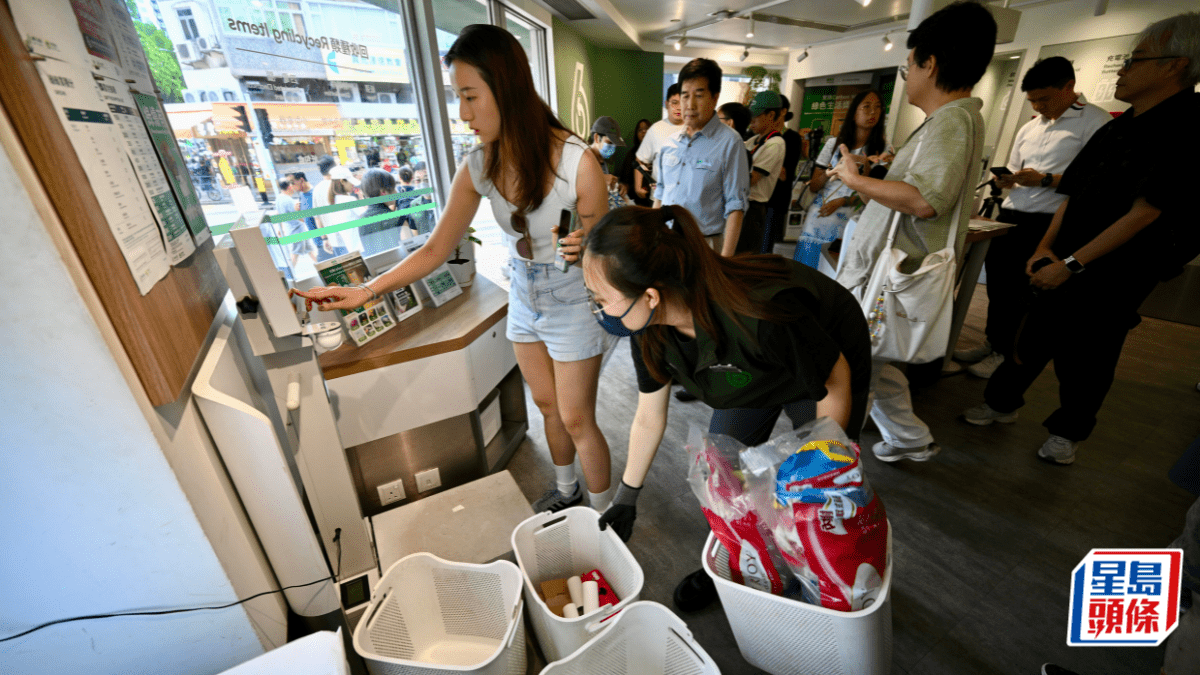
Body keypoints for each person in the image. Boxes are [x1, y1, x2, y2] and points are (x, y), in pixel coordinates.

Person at [293, 24, 617, 514]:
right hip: (525, 294)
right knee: (547, 407)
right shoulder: (478, 165)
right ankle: (567, 492)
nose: (462, 113)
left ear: (505, 89)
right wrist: (367, 291)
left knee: (576, 417)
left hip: (573, 296)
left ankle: (605, 517)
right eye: (456, 97)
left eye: (470, 96)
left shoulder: (579, 163)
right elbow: (434, 249)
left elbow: (605, 253)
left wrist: (587, 243)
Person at [583, 204, 872, 611]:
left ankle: (821, 580)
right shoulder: (650, 330)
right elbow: (649, 415)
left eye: (601, 298)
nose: (598, 308)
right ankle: (737, 560)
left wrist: (811, 479)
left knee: (816, 492)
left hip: (820, 366)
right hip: (749, 370)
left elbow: (834, 381)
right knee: (720, 470)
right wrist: (626, 496)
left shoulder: (760, 313)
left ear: (649, 295)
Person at [963, 12, 1200, 465]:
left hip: (1116, 270)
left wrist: (1070, 265)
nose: (1124, 69)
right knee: (1031, 334)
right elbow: (1073, 194)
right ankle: (1001, 403)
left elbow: (1146, 212)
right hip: (1059, 250)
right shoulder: (1116, 126)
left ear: (1176, 65)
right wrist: (1045, 248)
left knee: (1089, 354)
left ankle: (1068, 431)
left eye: (1137, 59)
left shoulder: (1187, 128)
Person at [831, 1, 995, 462]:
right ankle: (909, 439)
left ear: (931, 63)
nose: (907, 79)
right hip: (893, 273)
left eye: (908, 67)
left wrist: (856, 180)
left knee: (859, 366)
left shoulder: (954, 121)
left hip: (895, 275)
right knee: (875, 362)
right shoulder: (951, 122)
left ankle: (834, 463)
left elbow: (926, 201)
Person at [953, 57, 1111, 379]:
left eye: (1044, 99)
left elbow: (1096, 181)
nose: (1038, 107)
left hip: (1051, 222)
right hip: (1012, 215)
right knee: (998, 287)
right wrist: (1008, 179)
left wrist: (1044, 180)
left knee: (1027, 293)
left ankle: (1011, 356)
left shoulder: (1097, 122)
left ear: (1069, 87)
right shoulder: (1030, 126)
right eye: (1033, 100)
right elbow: (1015, 166)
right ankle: (993, 343)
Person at [653, 58, 749, 257]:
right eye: (685, 96)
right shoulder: (670, 143)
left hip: (705, 246)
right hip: (668, 243)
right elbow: (660, 194)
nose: (689, 105)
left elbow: (736, 206)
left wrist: (726, 262)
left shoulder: (730, 142)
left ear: (715, 97)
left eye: (698, 95)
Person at [794, 90, 888, 270]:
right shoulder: (834, 144)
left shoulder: (882, 150)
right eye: (866, 107)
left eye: (877, 108)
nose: (872, 113)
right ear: (854, 113)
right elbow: (814, 185)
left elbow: (879, 193)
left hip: (853, 221)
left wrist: (844, 199)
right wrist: (832, 171)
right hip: (819, 218)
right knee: (807, 271)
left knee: (837, 274)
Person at [740, 91, 788, 254]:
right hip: (741, 204)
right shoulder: (755, 140)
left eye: (756, 116)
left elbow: (751, 179)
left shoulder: (775, 144)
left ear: (771, 115)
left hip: (753, 209)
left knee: (744, 256)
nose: (751, 121)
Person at [764, 95, 804, 250]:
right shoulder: (759, 136)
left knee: (766, 246)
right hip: (757, 200)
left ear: (782, 112)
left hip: (776, 199)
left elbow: (784, 173)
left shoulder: (792, 138)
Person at [634, 83, 683, 203]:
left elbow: (701, 160)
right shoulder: (656, 129)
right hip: (659, 197)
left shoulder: (694, 128)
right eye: (675, 102)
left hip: (686, 198)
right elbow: (640, 160)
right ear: (667, 104)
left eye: (683, 102)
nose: (679, 107)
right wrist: (638, 186)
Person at [356, 168, 410, 257]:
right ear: (383, 192)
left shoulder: (361, 222)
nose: (396, 193)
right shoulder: (399, 219)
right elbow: (410, 251)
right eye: (393, 189)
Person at [275, 177, 318, 268]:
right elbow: (299, 218)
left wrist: (280, 228)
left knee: (310, 250)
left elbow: (278, 214)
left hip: (294, 229)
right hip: (296, 231)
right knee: (294, 254)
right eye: (292, 185)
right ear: (289, 187)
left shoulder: (279, 198)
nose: (293, 188)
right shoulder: (289, 201)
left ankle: (320, 265)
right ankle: (291, 273)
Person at [589, 116, 628, 211]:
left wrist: (618, 187)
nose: (613, 148)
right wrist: (601, 179)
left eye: (615, 144)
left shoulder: (603, 161)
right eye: (609, 142)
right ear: (597, 138)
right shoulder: (585, 159)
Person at [321, 165, 361, 256]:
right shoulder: (349, 200)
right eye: (350, 181)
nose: (353, 184)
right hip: (362, 247)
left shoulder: (332, 202)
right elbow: (367, 216)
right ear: (342, 181)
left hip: (352, 249)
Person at [618, 118, 653, 206]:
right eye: (640, 130)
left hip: (655, 199)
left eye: (646, 129)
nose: (644, 132)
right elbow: (625, 182)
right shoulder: (632, 155)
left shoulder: (658, 152)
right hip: (636, 202)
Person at [311, 155, 338, 233]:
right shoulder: (340, 185)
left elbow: (317, 217)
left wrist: (324, 238)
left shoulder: (316, 189)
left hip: (331, 238)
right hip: (347, 236)